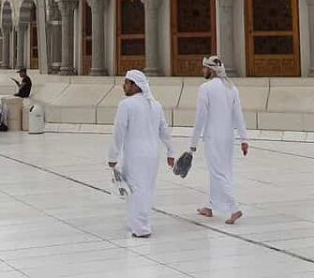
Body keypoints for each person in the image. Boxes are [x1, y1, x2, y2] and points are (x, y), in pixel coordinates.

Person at [107, 70, 175, 238]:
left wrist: (112, 156)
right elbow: (164, 130)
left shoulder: (126, 105)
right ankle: (134, 222)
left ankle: (142, 227)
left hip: (136, 155)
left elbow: (118, 131)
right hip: (152, 154)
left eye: (126, 83)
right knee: (143, 189)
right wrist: (170, 151)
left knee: (137, 190)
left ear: (135, 85)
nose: (123, 86)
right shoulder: (156, 105)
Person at [189, 56, 249, 225]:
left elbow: (200, 118)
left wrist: (192, 144)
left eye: (204, 68)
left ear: (211, 70)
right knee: (223, 170)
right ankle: (209, 206)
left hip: (213, 137)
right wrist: (244, 138)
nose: (202, 71)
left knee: (217, 172)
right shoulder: (232, 88)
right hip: (228, 138)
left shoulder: (205, 88)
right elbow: (238, 116)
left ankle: (234, 208)